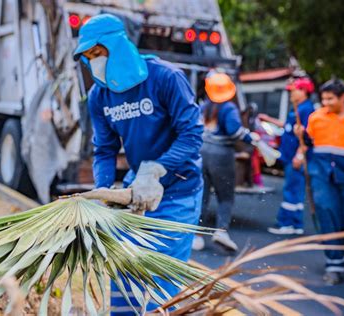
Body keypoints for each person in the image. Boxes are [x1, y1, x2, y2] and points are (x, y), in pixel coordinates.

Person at [73, 14, 204, 313]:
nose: (94, 62)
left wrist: (157, 168)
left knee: (161, 282)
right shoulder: (99, 95)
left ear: (116, 46)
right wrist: (103, 190)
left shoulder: (165, 77)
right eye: (88, 57)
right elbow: (104, 149)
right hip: (137, 192)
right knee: (124, 268)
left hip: (178, 191)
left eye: (98, 53)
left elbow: (193, 135)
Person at [297, 79, 344, 285]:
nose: (326, 102)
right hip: (321, 175)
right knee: (327, 213)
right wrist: (300, 147)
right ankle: (334, 264)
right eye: (323, 98)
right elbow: (307, 141)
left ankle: (342, 247)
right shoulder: (316, 118)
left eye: (330, 98)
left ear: (343, 98)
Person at [192, 72, 257, 252]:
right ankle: (221, 231)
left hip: (202, 153)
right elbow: (234, 132)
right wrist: (252, 138)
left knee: (203, 195)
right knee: (225, 196)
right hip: (221, 155)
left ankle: (197, 235)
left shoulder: (203, 107)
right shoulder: (228, 108)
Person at [259, 77, 315, 235]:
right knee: (295, 190)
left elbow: (307, 137)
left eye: (294, 90)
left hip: (296, 159)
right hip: (290, 156)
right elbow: (289, 127)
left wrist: (299, 155)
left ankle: (286, 223)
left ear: (304, 91)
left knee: (292, 190)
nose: (291, 93)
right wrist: (269, 119)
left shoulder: (306, 109)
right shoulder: (297, 108)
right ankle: (296, 224)